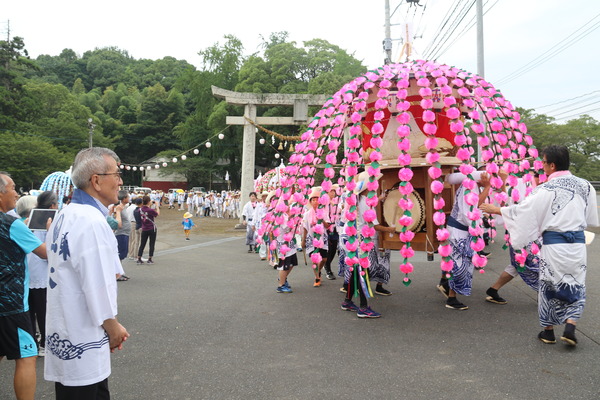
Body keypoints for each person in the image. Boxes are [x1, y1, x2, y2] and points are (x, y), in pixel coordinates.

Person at [480, 145, 598, 346]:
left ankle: (549, 331)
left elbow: (523, 212)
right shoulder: (586, 185)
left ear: (552, 165)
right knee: (576, 283)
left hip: (554, 246)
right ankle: (570, 326)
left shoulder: (544, 189)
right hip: (577, 244)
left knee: (549, 285)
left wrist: (497, 210)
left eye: (543, 162)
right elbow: (590, 219)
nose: (542, 166)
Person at [45, 148, 129, 398]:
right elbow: (97, 283)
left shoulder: (65, 213)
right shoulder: (91, 221)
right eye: (116, 174)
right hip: (83, 333)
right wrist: (112, 326)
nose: (120, 181)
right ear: (96, 180)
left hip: (65, 328)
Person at [0, 172, 48, 400]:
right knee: (27, 356)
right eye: (12, 188)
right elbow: (46, 253)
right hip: (12, 305)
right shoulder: (11, 224)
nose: (16, 193)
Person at [441, 170, 491, 310]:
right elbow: (469, 212)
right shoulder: (469, 186)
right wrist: (487, 188)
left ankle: (446, 285)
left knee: (459, 262)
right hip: (459, 230)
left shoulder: (471, 185)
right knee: (460, 264)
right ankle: (451, 298)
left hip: (459, 229)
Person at [27, 191, 59, 357]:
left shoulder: (28, 220)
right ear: (52, 206)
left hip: (28, 274)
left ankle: (32, 344)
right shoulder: (50, 223)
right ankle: (45, 344)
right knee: (44, 312)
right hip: (42, 275)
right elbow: (50, 252)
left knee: (30, 312)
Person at [301, 187, 330, 287]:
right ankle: (317, 277)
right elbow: (305, 227)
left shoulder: (324, 212)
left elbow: (328, 226)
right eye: (313, 200)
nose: (315, 202)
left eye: (317, 199)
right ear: (310, 202)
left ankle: (320, 270)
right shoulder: (307, 214)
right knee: (314, 259)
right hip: (311, 238)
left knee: (324, 259)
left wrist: (321, 219)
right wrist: (303, 240)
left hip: (322, 238)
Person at [137, 195, 160, 264]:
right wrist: (157, 206)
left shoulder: (140, 209)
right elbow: (157, 214)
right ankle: (150, 258)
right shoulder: (150, 210)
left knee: (142, 244)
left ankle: (139, 258)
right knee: (151, 244)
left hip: (144, 228)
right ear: (149, 201)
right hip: (151, 228)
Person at [114, 190, 131, 281]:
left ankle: (120, 272)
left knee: (123, 253)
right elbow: (118, 222)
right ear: (124, 198)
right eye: (128, 197)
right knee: (120, 254)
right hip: (121, 233)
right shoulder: (119, 208)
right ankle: (117, 274)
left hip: (125, 233)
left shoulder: (123, 207)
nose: (129, 198)